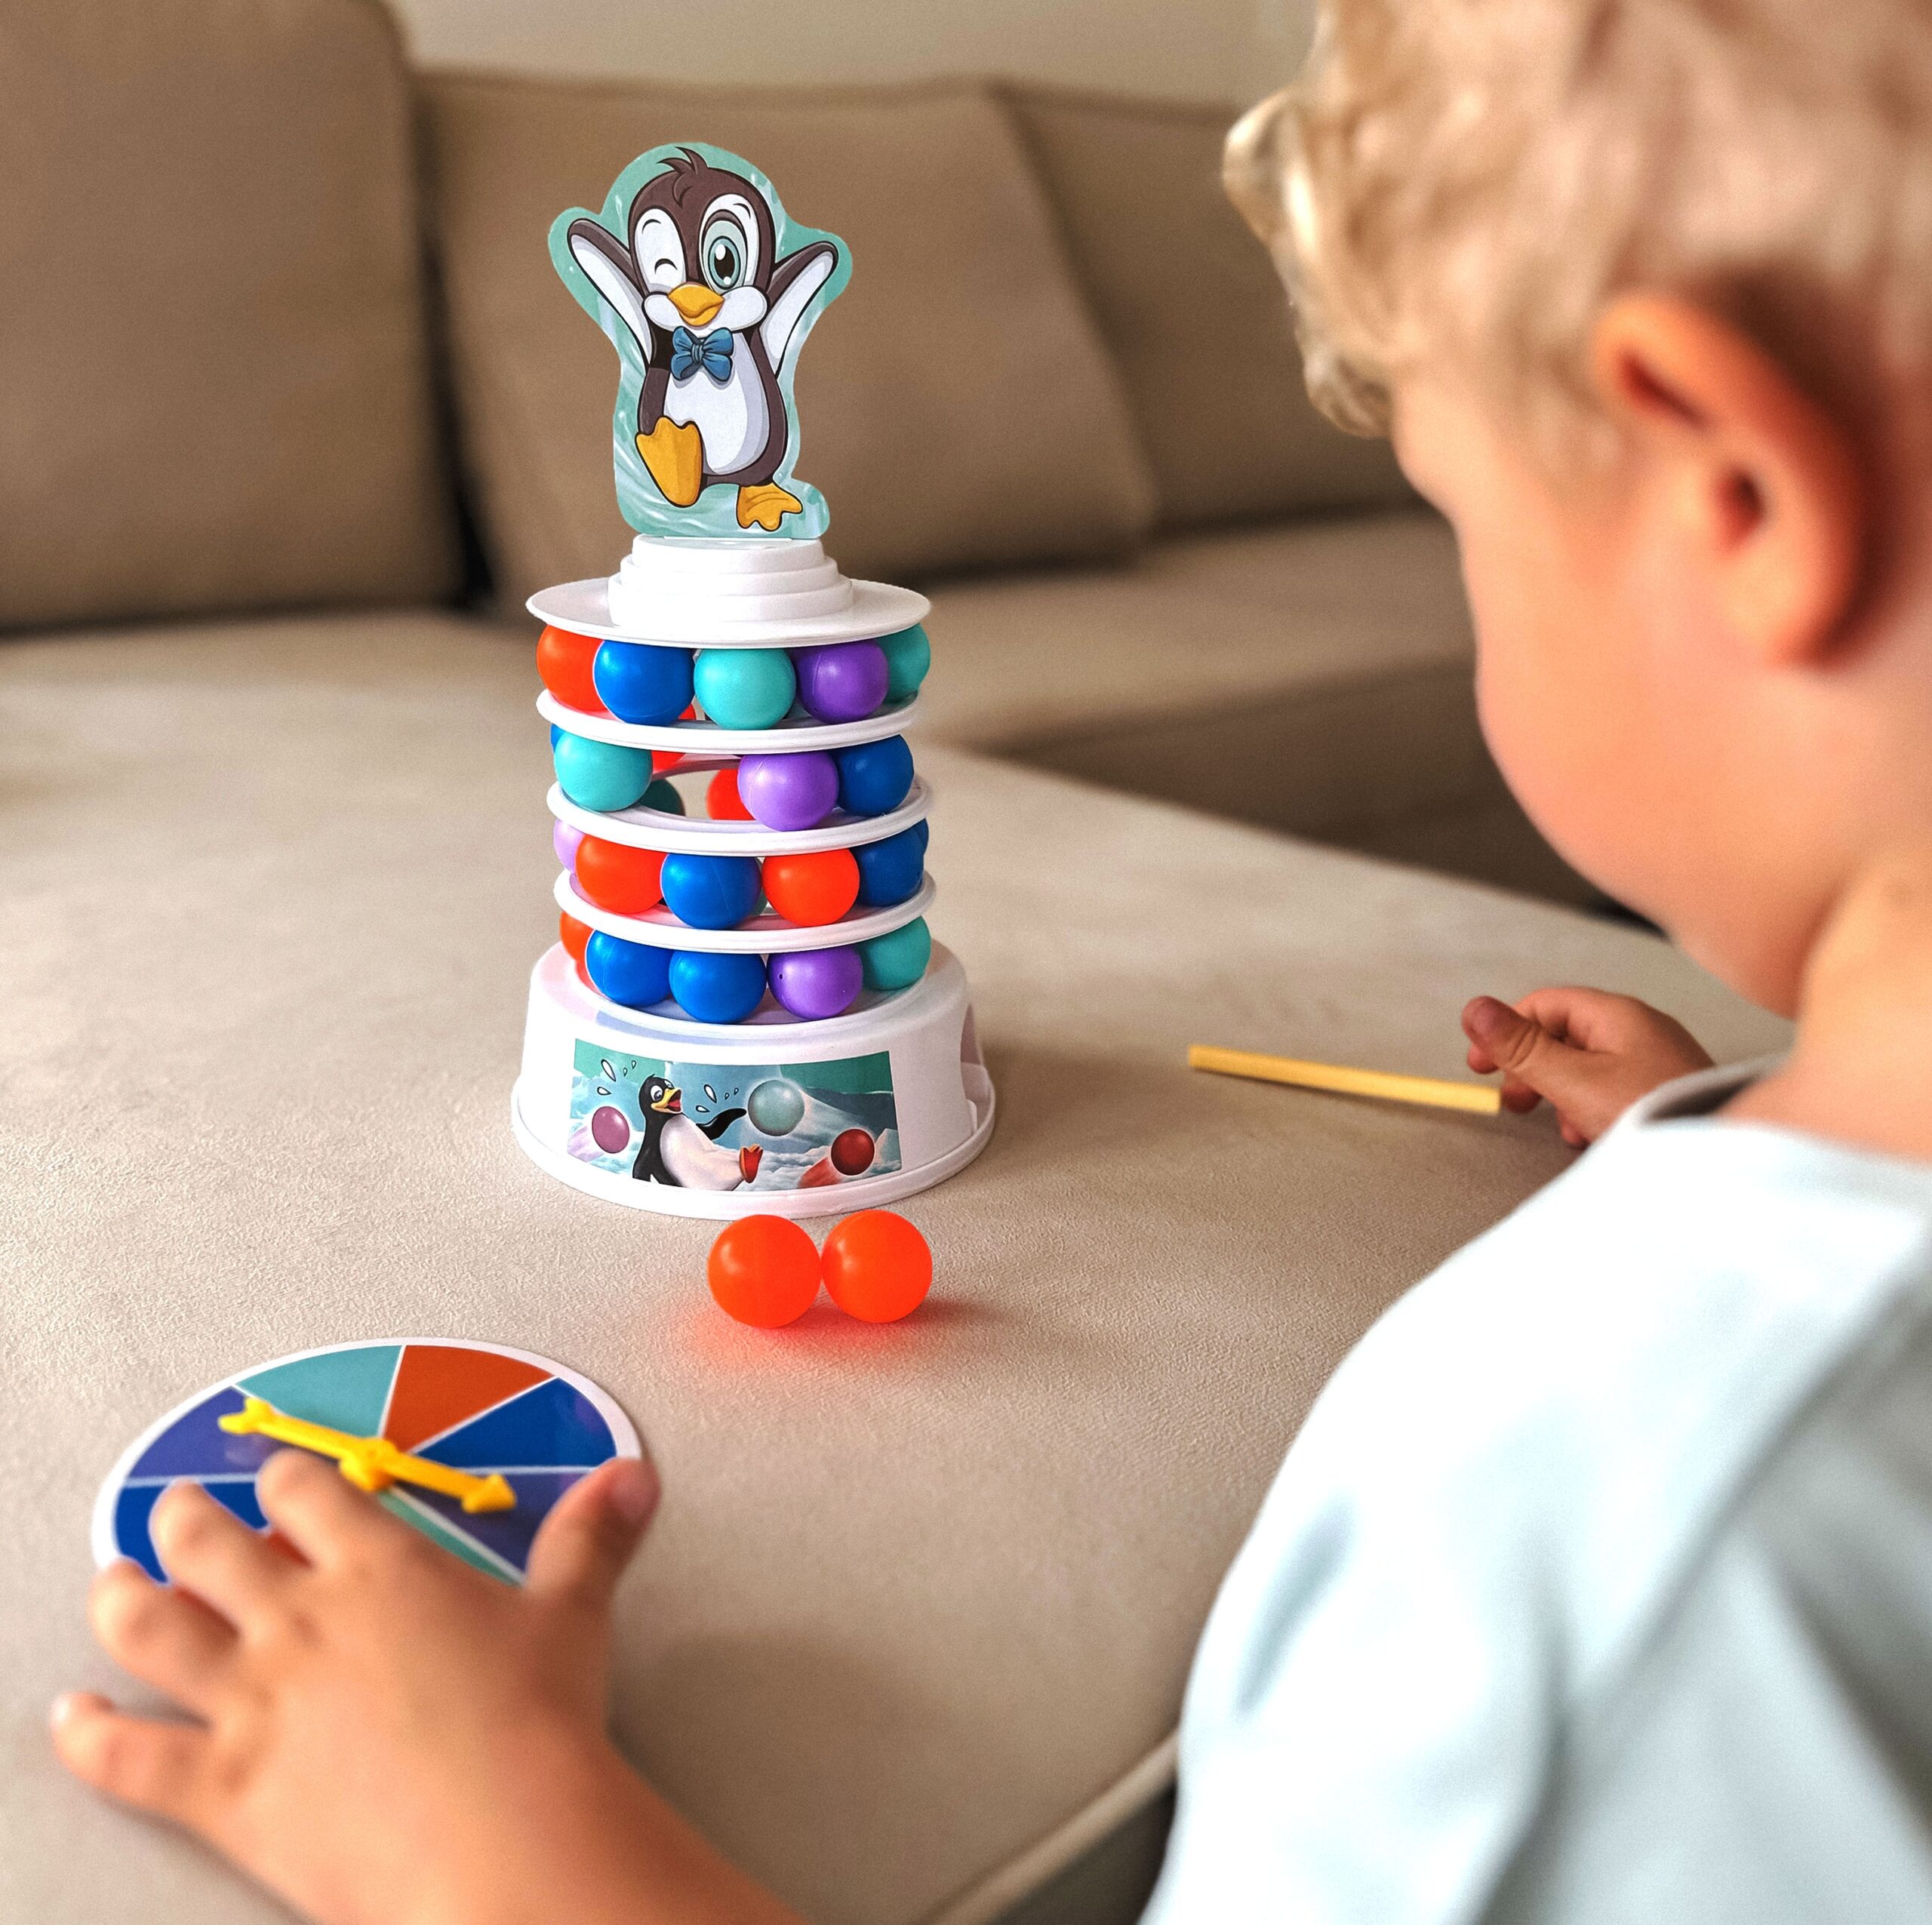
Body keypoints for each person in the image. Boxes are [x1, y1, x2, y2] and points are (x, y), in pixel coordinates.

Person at [53, 0, 1932, 1917]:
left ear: (1737, 498)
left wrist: (492, 1832)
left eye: (1456, 512)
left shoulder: (1623, 1517)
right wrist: (1743, 1131)